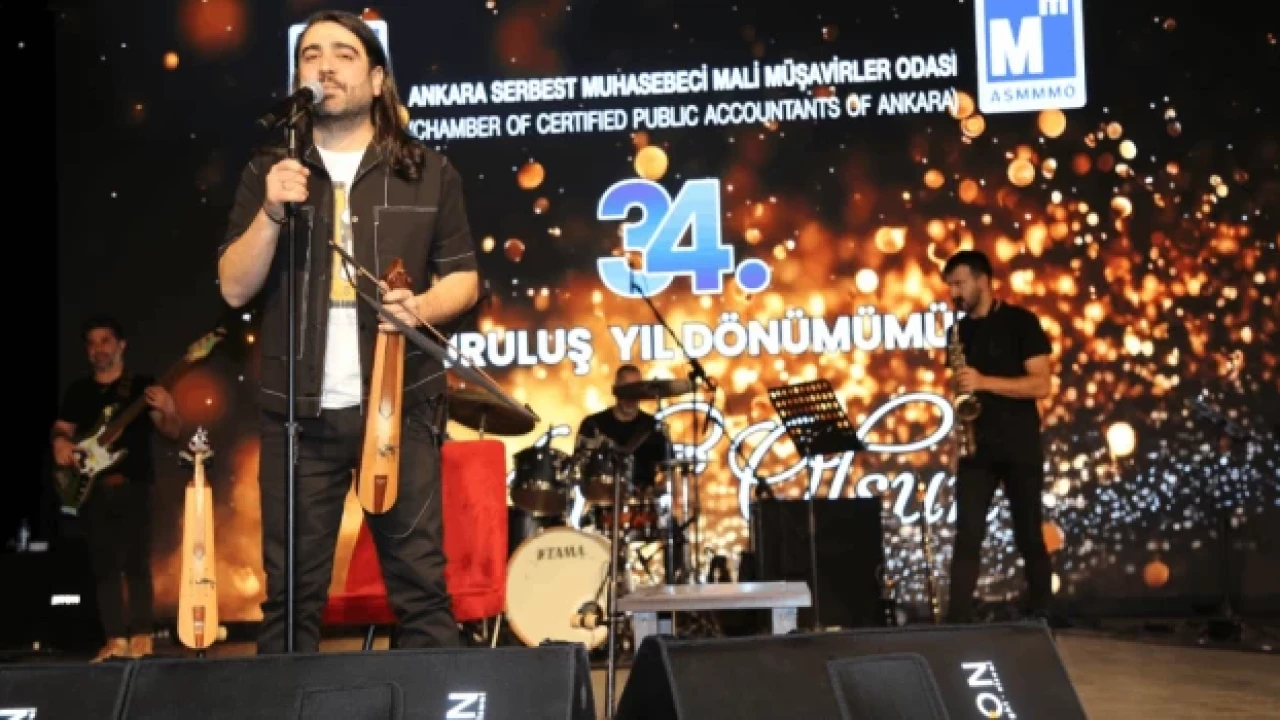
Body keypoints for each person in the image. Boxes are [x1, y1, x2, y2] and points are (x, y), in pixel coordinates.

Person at [217, 10, 480, 654]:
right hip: (296, 419)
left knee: (421, 590)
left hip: (400, 409)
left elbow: (465, 280)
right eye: (311, 55)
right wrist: (271, 211)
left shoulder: (427, 170)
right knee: (290, 601)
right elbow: (234, 287)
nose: (325, 66)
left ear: (377, 79)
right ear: (298, 79)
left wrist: (420, 306)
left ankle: (426, 696)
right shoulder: (269, 171)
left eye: (343, 54)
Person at [50, 315, 182, 662]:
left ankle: (141, 637)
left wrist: (169, 409)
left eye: (105, 341)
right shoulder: (78, 391)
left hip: (134, 485)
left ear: (122, 345)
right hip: (93, 488)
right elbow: (61, 429)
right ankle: (114, 639)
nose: (99, 349)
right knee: (104, 566)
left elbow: (172, 431)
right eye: (92, 343)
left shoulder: (142, 386)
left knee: (136, 563)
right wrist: (60, 443)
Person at [941, 250, 1054, 624]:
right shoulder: (958, 332)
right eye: (951, 285)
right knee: (967, 535)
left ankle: (1042, 613)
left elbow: (1041, 385)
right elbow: (961, 389)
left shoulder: (1022, 323)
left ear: (982, 280)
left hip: (1019, 445)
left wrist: (984, 382)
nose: (954, 293)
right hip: (977, 447)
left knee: (1028, 534)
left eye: (960, 283)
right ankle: (958, 618)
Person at [575, 364, 673, 495]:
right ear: (615, 390)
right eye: (626, 390)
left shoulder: (655, 428)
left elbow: (668, 474)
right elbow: (579, 471)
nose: (630, 397)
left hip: (644, 503)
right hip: (602, 501)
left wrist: (656, 489)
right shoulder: (593, 425)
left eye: (635, 390)